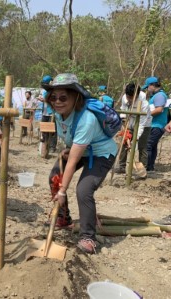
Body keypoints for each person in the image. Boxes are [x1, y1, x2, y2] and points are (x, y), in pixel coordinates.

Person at [42, 73, 117, 254]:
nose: (57, 101)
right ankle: (63, 217)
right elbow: (71, 139)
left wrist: (62, 191)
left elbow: (74, 160)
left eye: (63, 97)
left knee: (83, 190)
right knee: (55, 177)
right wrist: (69, 149)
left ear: (76, 97)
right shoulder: (59, 114)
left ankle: (88, 237)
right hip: (83, 150)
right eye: (53, 97)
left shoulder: (87, 119)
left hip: (101, 154)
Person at [116, 83, 151, 173]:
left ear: (137, 95)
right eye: (128, 97)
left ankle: (143, 169)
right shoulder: (125, 97)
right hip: (129, 122)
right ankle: (122, 167)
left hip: (144, 125)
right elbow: (123, 109)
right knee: (123, 142)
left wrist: (135, 139)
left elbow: (141, 124)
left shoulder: (144, 104)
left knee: (142, 147)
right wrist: (124, 122)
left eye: (131, 98)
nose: (129, 99)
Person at [142, 76, 169, 172]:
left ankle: (146, 167)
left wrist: (144, 115)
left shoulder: (160, 96)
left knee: (147, 146)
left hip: (156, 125)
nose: (147, 90)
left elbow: (159, 109)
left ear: (152, 85)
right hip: (155, 125)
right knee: (152, 146)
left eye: (147, 87)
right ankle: (150, 167)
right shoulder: (157, 95)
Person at [40, 75, 57, 153]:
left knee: (52, 131)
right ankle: (45, 145)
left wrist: (45, 100)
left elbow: (54, 102)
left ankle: (52, 147)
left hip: (52, 113)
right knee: (44, 130)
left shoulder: (55, 92)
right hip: (45, 113)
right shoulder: (44, 92)